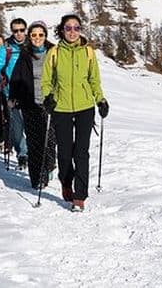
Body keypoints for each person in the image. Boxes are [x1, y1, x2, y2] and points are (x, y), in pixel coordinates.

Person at [42, 14, 109, 212]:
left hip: (85, 107)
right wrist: (48, 97)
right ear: (62, 30)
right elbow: (46, 81)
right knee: (64, 153)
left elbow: (94, 80)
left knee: (81, 152)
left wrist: (100, 100)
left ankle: (79, 196)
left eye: (76, 28)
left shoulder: (88, 52)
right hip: (61, 107)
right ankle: (66, 181)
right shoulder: (54, 53)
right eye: (68, 28)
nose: (72, 31)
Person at [8, 20, 56, 189]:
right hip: (30, 103)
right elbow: (16, 77)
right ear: (29, 36)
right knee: (35, 142)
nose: (37, 38)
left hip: (51, 103)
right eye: (34, 35)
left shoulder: (54, 52)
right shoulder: (25, 53)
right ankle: (37, 178)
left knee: (50, 141)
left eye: (40, 35)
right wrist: (13, 96)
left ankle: (49, 165)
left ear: (45, 36)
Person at [0, 18, 29, 169]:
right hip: (12, 94)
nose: (19, 34)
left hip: (32, 93)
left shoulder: (33, 45)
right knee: (16, 129)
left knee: (32, 127)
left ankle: (34, 154)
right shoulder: (6, 49)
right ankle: (22, 154)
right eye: (15, 31)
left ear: (25, 29)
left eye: (21, 30)